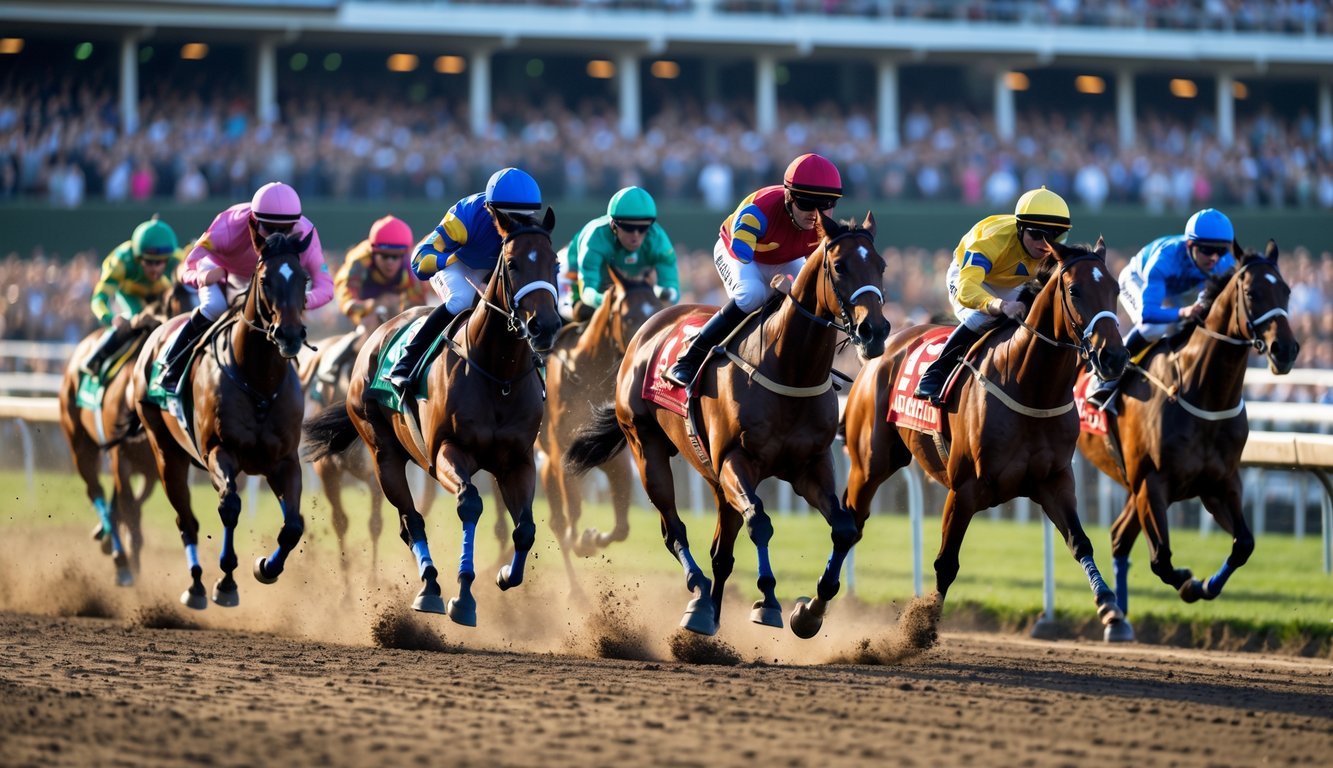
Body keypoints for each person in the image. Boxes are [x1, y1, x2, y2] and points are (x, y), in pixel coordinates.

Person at [664, 153, 842, 388]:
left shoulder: (824, 227)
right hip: (738, 251)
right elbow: (742, 252)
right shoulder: (759, 210)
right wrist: (782, 289)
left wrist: (794, 289)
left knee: (808, 299)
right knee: (752, 295)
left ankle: (814, 368)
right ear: (789, 196)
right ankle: (689, 359)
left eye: (826, 204)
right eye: (807, 203)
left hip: (783, 257)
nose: (815, 214)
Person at [157, 181, 334, 394]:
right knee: (214, 306)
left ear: (295, 224)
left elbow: (326, 287)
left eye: (285, 229)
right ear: (253, 220)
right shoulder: (229, 224)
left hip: (268, 279)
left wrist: (298, 300)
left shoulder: (306, 234)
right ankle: (172, 364)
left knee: (281, 316)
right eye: (269, 228)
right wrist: (203, 276)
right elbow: (187, 266)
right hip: (222, 269)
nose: (277, 236)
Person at [384, 167, 542, 396]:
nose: (517, 225)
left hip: (494, 269)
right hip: (454, 263)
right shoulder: (467, 214)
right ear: (490, 210)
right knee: (462, 299)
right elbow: (419, 260)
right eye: (508, 218)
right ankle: (407, 363)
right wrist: (453, 258)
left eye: (524, 218)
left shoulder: (531, 228)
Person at [912, 186, 1073, 406]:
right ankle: (936, 373)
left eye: (1054, 235)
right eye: (1036, 234)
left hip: (1012, 282)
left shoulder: (1054, 251)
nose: (1044, 244)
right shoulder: (993, 240)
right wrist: (998, 305)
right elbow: (967, 289)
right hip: (970, 278)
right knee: (984, 316)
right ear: (1020, 229)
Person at [1084, 208, 1237, 411]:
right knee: (1154, 328)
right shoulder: (1165, 259)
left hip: (1176, 292)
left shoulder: (1225, 263)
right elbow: (1148, 314)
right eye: (1208, 250)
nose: (1215, 258)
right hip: (1137, 280)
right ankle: (1106, 378)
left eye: (1222, 251)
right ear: (1190, 245)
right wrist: (1183, 312)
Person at [320, 215, 427, 382]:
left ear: (404, 254)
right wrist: (373, 305)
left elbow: (419, 306)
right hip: (364, 311)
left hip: (396, 308)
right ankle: (334, 363)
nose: (390, 262)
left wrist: (401, 310)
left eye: (396, 256)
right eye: (384, 256)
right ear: (373, 252)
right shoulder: (358, 260)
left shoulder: (411, 264)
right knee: (372, 322)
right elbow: (346, 302)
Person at [79, 217, 183, 374]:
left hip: (161, 296)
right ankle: (96, 358)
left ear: (168, 259)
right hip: (131, 296)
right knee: (137, 319)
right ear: (138, 258)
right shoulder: (121, 261)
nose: (154, 269)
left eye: (160, 262)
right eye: (148, 262)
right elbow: (99, 299)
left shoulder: (178, 260)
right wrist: (111, 318)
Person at [565, 186, 680, 322]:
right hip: (577, 271)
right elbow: (587, 292)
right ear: (613, 225)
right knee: (581, 312)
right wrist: (614, 300)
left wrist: (660, 293)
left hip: (625, 287)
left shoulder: (658, 240)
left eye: (643, 228)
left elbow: (672, 291)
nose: (636, 235)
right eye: (628, 228)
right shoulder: (595, 239)